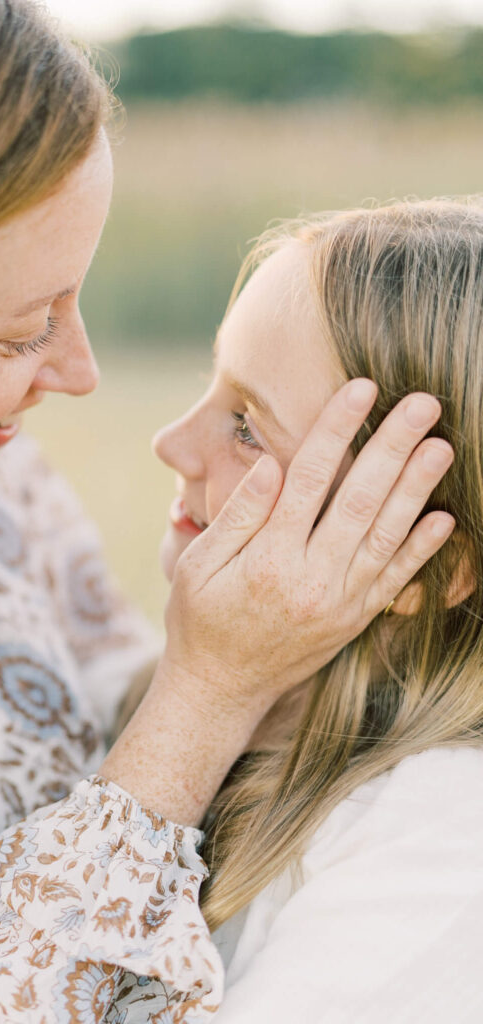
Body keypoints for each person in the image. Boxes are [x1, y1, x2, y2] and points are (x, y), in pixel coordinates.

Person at [0, 2, 454, 1021]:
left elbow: (119, 717)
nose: (81, 370)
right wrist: (208, 693)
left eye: (77, 299)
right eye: (23, 333)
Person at [121, 200, 483, 1022]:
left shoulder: (445, 838)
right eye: (210, 387)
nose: (173, 442)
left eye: (247, 428)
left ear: (426, 563)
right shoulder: (161, 690)